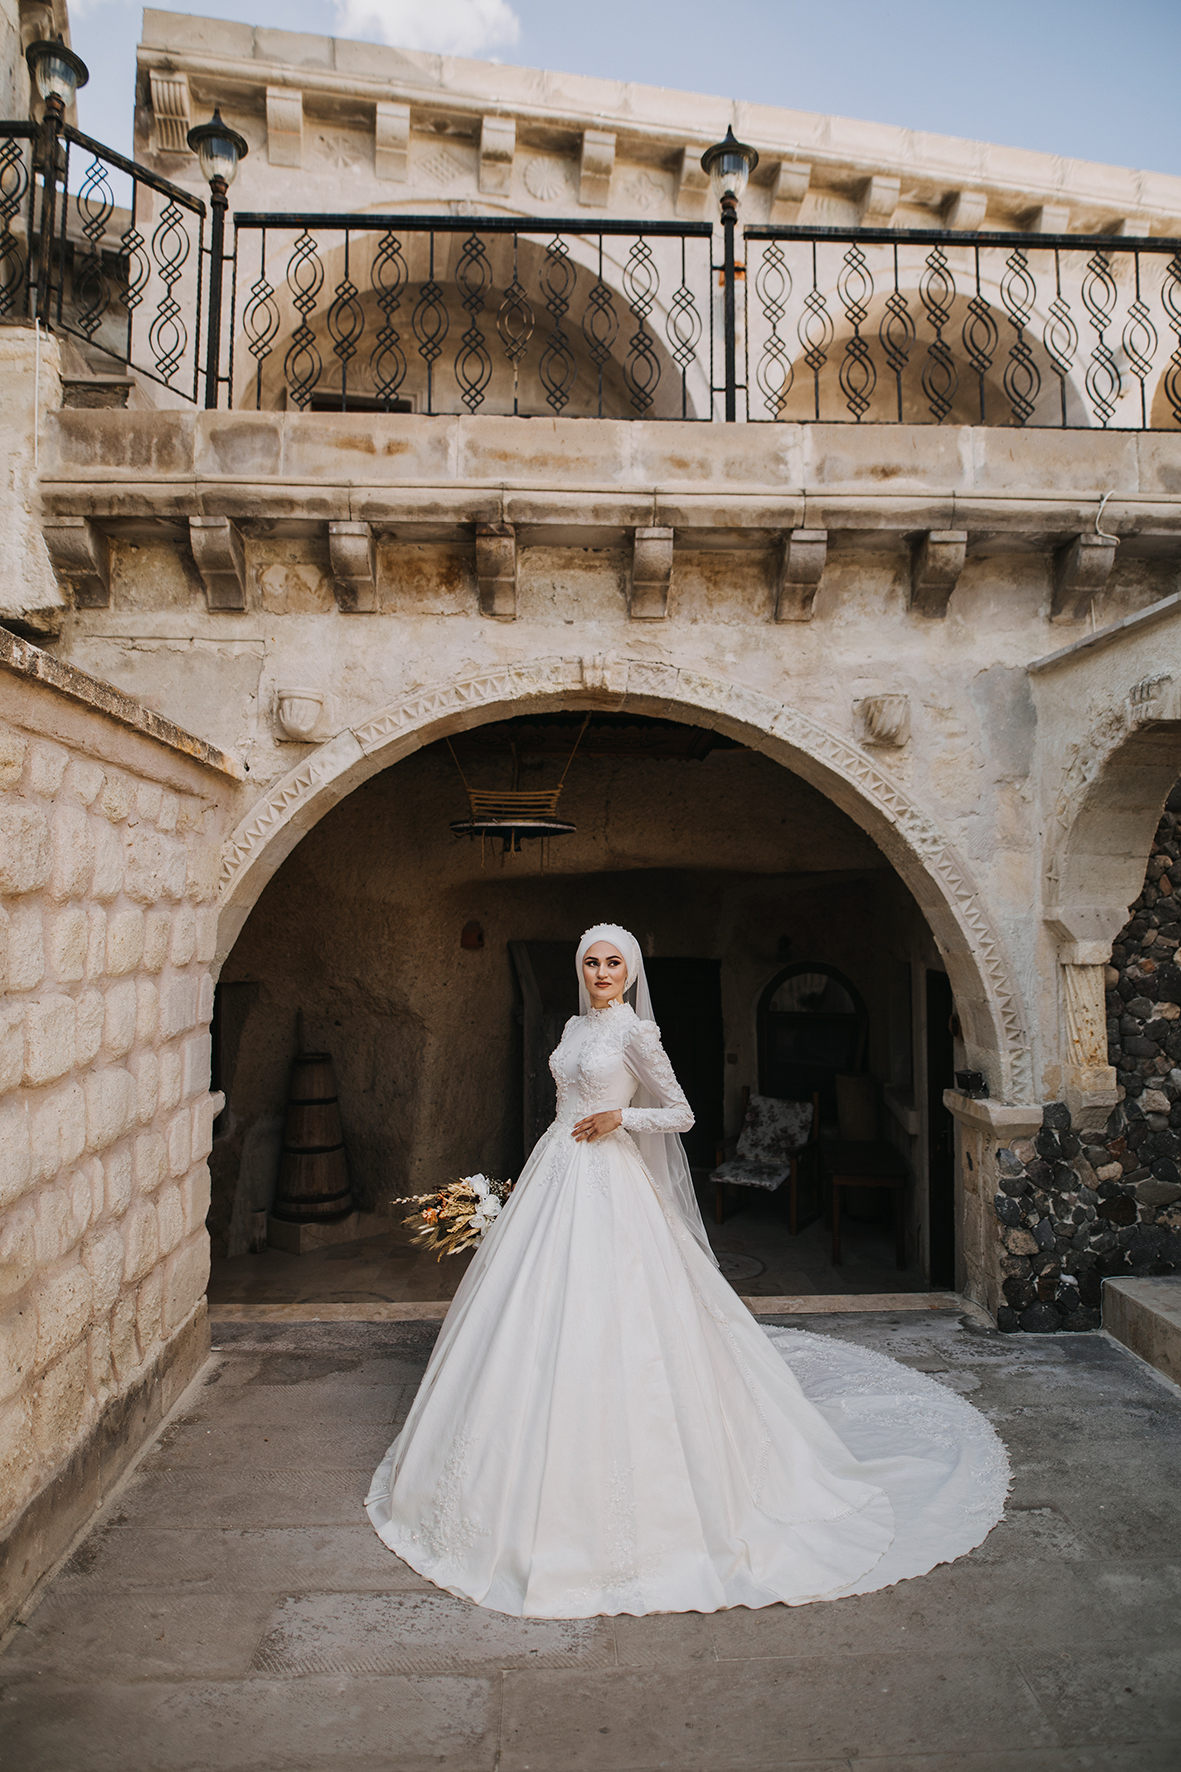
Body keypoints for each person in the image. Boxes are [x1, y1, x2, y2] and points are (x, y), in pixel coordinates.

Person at [366, 924, 1009, 1617]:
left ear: (631, 968)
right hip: (557, 1167)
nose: (602, 971)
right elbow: (565, 1101)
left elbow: (681, 1113)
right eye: (592, 961)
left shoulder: (637, 1034)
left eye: (614, 962)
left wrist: (621, 1118)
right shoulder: (574, 1026)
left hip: (610, 1176)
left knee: (626, 1315)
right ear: (579, 969)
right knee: (528, 1310)